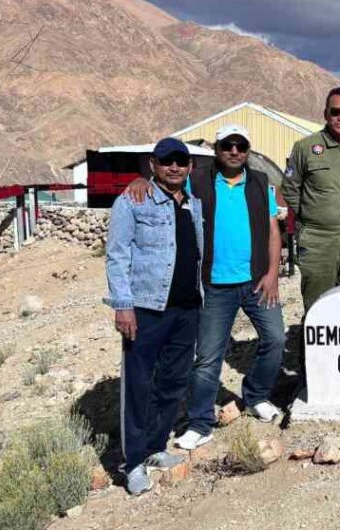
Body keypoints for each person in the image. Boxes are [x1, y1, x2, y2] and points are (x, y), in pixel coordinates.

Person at [123, 125, 286, 450]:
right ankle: (200, 423)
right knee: (209, 357)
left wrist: (272, 273)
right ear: (217, 148)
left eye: (241, 145)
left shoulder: (260, 183)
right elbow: (162, 183)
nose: (235, 151)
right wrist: (141, 179)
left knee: (276, 339)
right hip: (213, 286)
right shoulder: (196, 181)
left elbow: (271, 229)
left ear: (248, 150)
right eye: (228, 145)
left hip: (256, 281)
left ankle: (255, 395)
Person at [105, 138, 203, 495]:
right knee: (138, 384)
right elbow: (116, 255)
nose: (174, 167)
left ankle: (155, 447)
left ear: (190, 166)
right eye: (167, 161)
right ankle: (132, 463)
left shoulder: (194, 203)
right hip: (146, 308)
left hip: (187, 308)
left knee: (173, 382)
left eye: (181, 161)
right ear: (153, 164)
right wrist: (122, 305)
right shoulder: (133, 201)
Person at [283, 86, 340, 313]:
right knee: (318, 307)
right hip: (317, 240)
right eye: (336, 111)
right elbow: (290, 188)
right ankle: (311, 350)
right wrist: (310, 215)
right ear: (326, 114)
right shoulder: (305, 147)